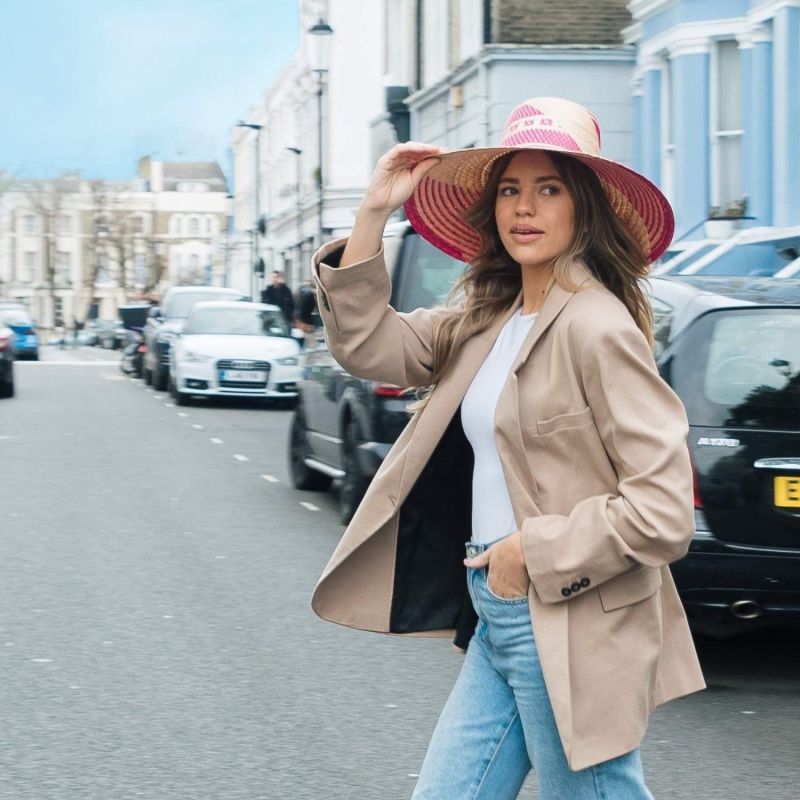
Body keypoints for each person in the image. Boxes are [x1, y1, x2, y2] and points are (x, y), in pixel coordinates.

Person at [310, 97, 705, 799]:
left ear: (583, 207)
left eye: (548, 189)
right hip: (497, 607)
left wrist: (531, 551)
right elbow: (369, 344)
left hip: (567, 617)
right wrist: (373, 214)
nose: (524, 208)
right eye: (510, 190)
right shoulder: (487, 320)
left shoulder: (596, 326)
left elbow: (663, 510)